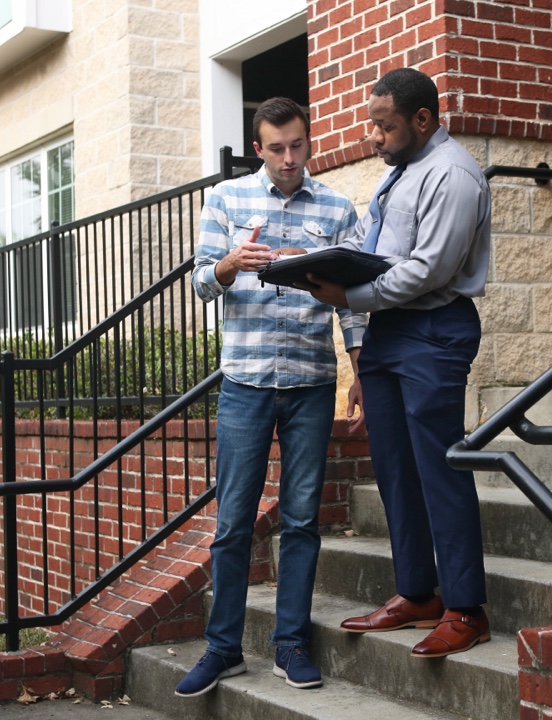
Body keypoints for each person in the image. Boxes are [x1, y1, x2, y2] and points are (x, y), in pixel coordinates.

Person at [175, 97, 367, 697]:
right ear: (258, 148)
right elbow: (201, 283)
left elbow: (356, 297)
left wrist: (358, 368)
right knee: (233, 522)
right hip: (245, 385)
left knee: (303, 520)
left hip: (311, 384)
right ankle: (223, 648)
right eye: (277, 148)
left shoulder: (337, 206)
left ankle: (290, 643)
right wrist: (230, 263)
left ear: (309, 142)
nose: (289, 159)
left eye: (298, 146)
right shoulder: (228, 200)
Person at [302, 68, 492, 658]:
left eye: (384, 127)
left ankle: (466, 607)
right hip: (388, 334)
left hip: (434, 329)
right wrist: (312, 264)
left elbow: (430, 269)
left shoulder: (454, 175)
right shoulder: (400, 175)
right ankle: (417, 594)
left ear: (422, 120)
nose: (374, 138)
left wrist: (348, 297)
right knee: (393, 468)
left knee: (439, 469)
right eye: (372, 125)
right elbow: (375, 253)